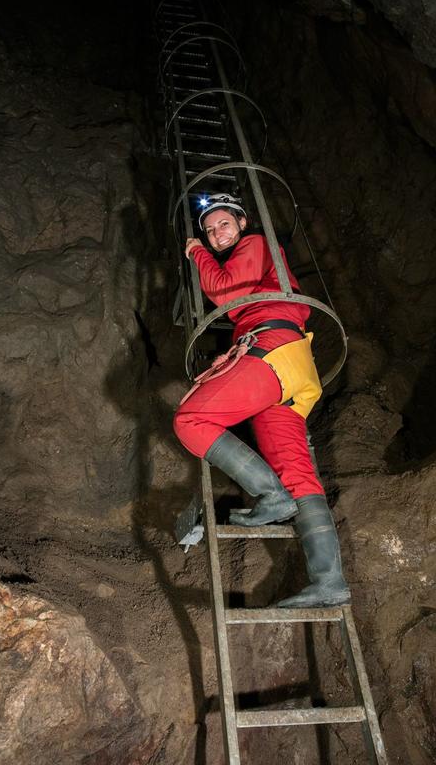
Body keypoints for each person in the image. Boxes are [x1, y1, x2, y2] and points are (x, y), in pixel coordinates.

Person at [173, 194, 350, 608]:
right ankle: (330, 583)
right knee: (299, 476)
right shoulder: (255, 258)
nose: (217, 235)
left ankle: (269, 495)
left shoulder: (254, 243)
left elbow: (222, 288)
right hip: (293, 364)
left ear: (241, 222)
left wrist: (196, 251)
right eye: (210, 231)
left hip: (271, 348)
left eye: (223, 225)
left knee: (191, 420)